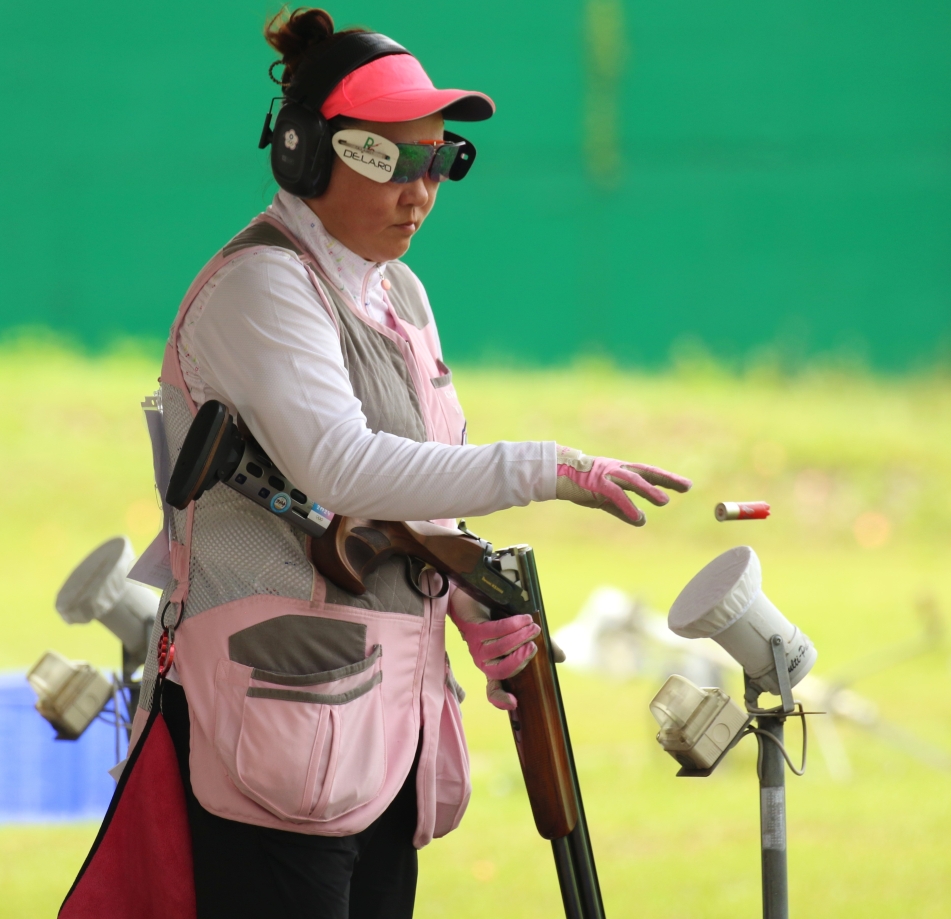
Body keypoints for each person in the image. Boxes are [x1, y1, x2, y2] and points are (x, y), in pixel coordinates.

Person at [130, 8, 692, 918]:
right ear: (305, 154)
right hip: (272, 718)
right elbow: (344, 469)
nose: (419, 188)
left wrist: (471, 596)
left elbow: (421, 472)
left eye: (438, 159)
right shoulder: (261, 285)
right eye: (386, 158)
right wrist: (549, 468)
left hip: (376, 721)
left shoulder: (398, 291)